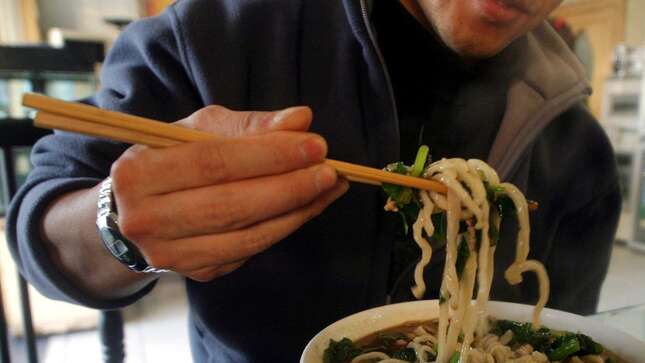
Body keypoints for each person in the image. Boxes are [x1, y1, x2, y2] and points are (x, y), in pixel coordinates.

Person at [7, 0, 621, 361]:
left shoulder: (580, 148)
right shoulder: (220, 32)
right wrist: (115, 227)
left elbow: (561, 337)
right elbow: (40, 227)